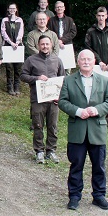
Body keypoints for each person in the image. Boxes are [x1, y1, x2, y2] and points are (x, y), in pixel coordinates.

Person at [58, 49, 108, 211]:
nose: (86, 62)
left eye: (89, 59)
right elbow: (62, 102)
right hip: (77, 130)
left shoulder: (104, 81)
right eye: (82, 59)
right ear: (78, 62)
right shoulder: (69, 80)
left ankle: (99, 195)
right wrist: (78, 111)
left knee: (99, 165)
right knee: (76, 165)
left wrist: (96, 110)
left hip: (97, 130)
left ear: (94, 61)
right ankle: (74, 196)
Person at [20, 35, 65, 163]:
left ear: (51, 45)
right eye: (42, 44)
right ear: (38, 46)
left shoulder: (57, 60)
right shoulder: (31, 60)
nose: (45, 46)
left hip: (54, 100)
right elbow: (23, 76)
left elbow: (63, 79)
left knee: (53, 126)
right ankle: (39, 151)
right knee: (38, 125)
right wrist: (37, 78)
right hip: (38, 99)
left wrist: (60, 97)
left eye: (47, 44)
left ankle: (51, 151)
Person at [84, 7, 108, 130]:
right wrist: (99, 61)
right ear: (96, 16)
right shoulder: (91, 31)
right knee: (97, 92)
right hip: (96, 66)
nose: (101, 18)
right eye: (99, 15)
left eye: (103, 15)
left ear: (106, 16)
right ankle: (99, 117)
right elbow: (88, 47)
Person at [1, 3, 25, 96]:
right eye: (10, 8)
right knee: (9, 67)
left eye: (13, 8)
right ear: (8, 10)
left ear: (16, 9)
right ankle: (10, 87)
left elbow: (21, 32)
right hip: (8, 46)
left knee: (18, 67)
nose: (12, 10)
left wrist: (17, 42)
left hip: (18, 46)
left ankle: (17, 86)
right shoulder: (4, 20)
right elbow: (3, 33)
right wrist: (11, 43)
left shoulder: (20, 20)